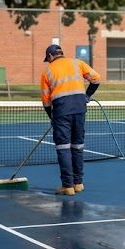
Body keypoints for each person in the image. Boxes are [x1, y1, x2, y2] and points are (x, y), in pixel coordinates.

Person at [40, 44, 100, 195]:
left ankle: (68, 186)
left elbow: (46, 101)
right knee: (77, 146)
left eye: (48, 59)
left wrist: (52, 117)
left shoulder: (47, 71)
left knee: (63, 148)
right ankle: (78, 183)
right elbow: (96, 79)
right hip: (80, 109)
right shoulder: (77, 63)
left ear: (50, 56)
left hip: (61, 112)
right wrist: (86, 96)